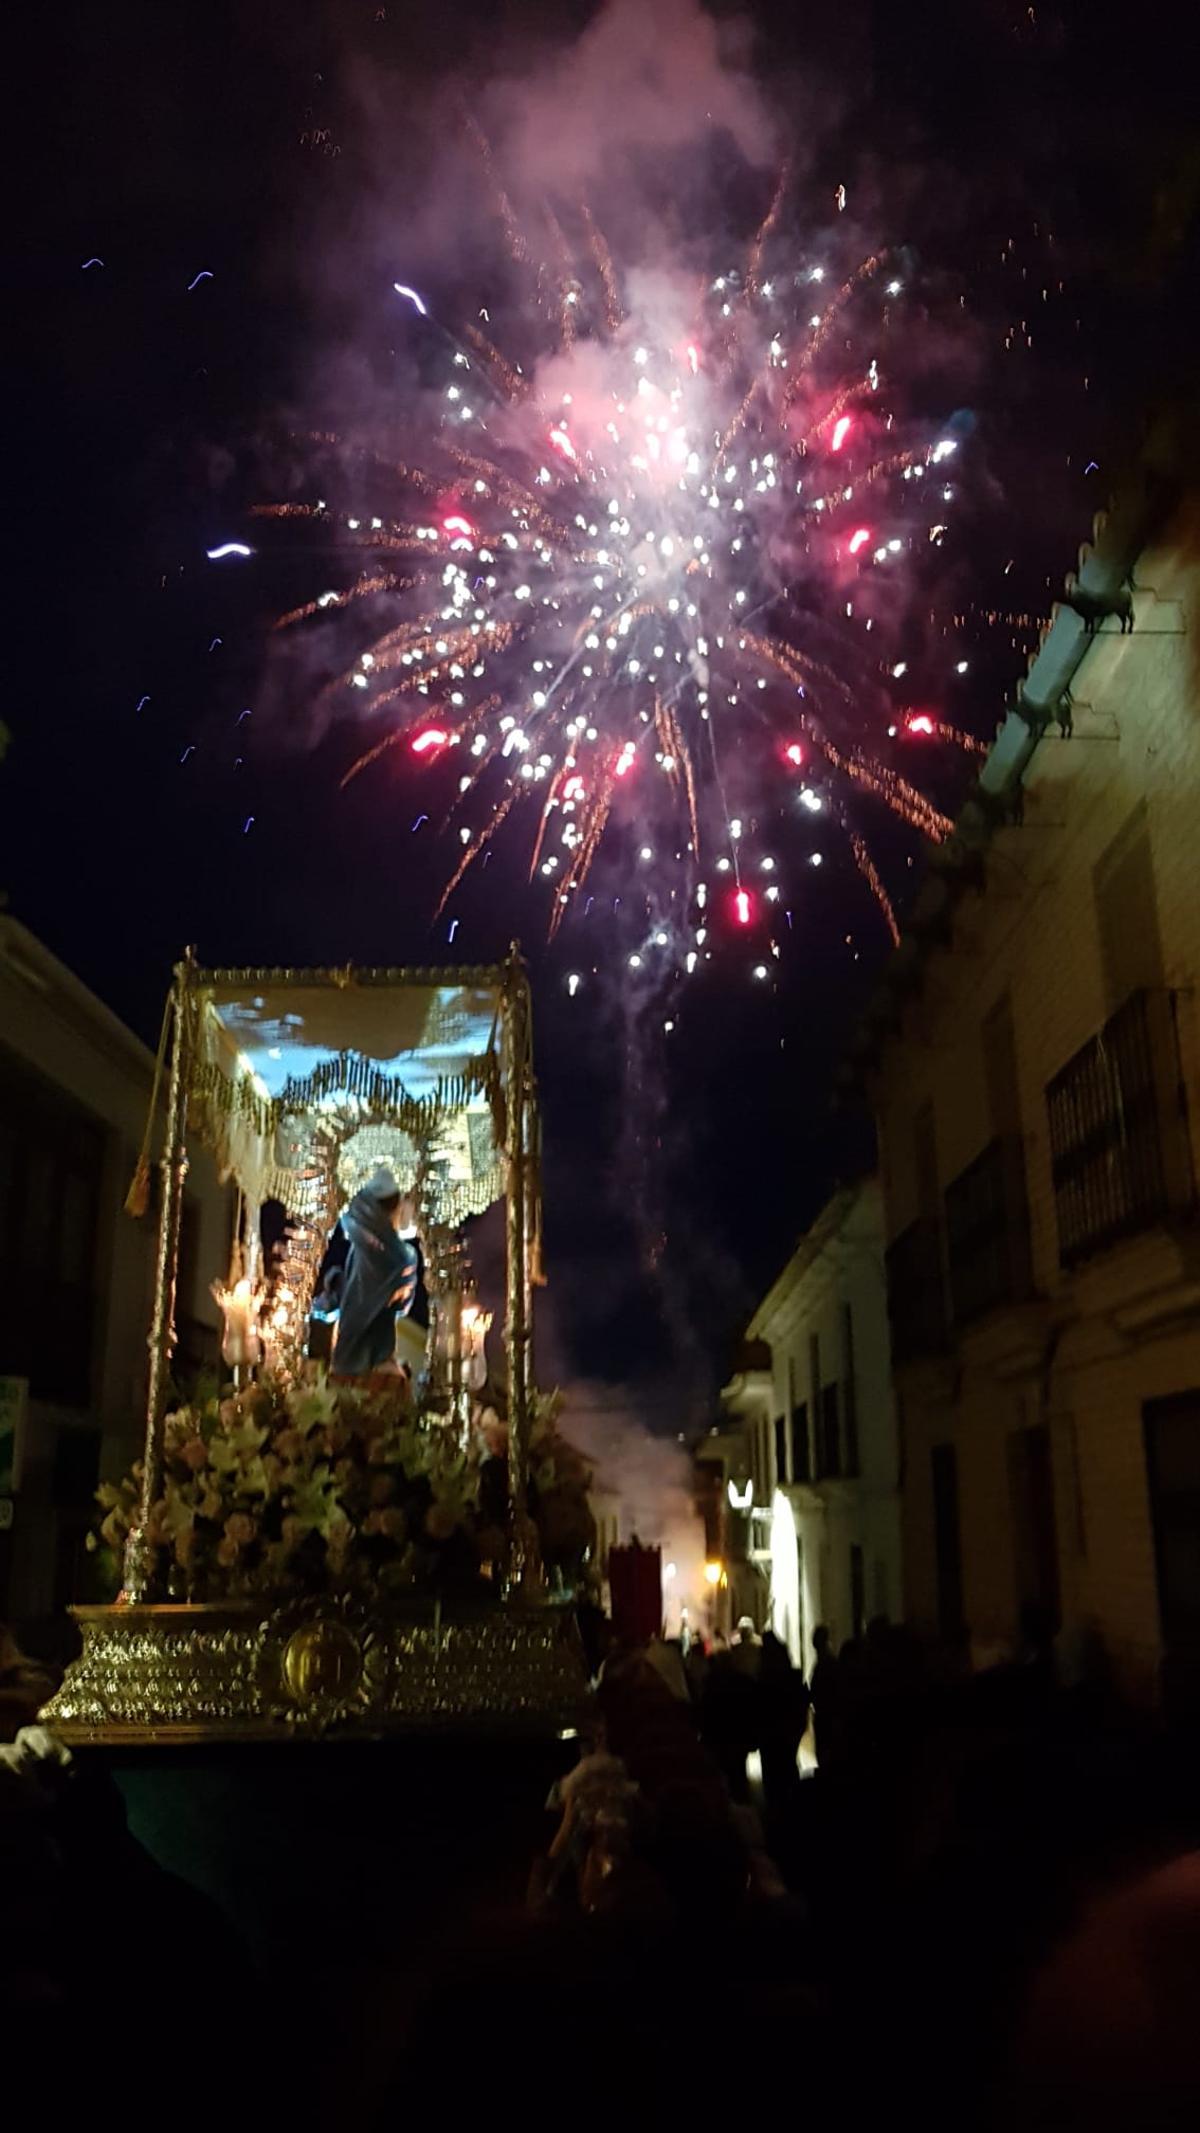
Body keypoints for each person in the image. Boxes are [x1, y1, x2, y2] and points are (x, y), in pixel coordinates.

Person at [332, 1166, 423, 1379]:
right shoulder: (403, 1256)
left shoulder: (358, 1243)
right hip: (378, 1350)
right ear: (398, 1204)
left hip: (350, 1341)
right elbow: (403, 1306)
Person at [758, 1630, 809, 1821]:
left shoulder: (765, 1676)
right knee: (788, 1767)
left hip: (771, 1734)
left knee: (772, 1774)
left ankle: (776, 1813)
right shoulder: (791, 1675)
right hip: (787, 1732)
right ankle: (791, 1811)